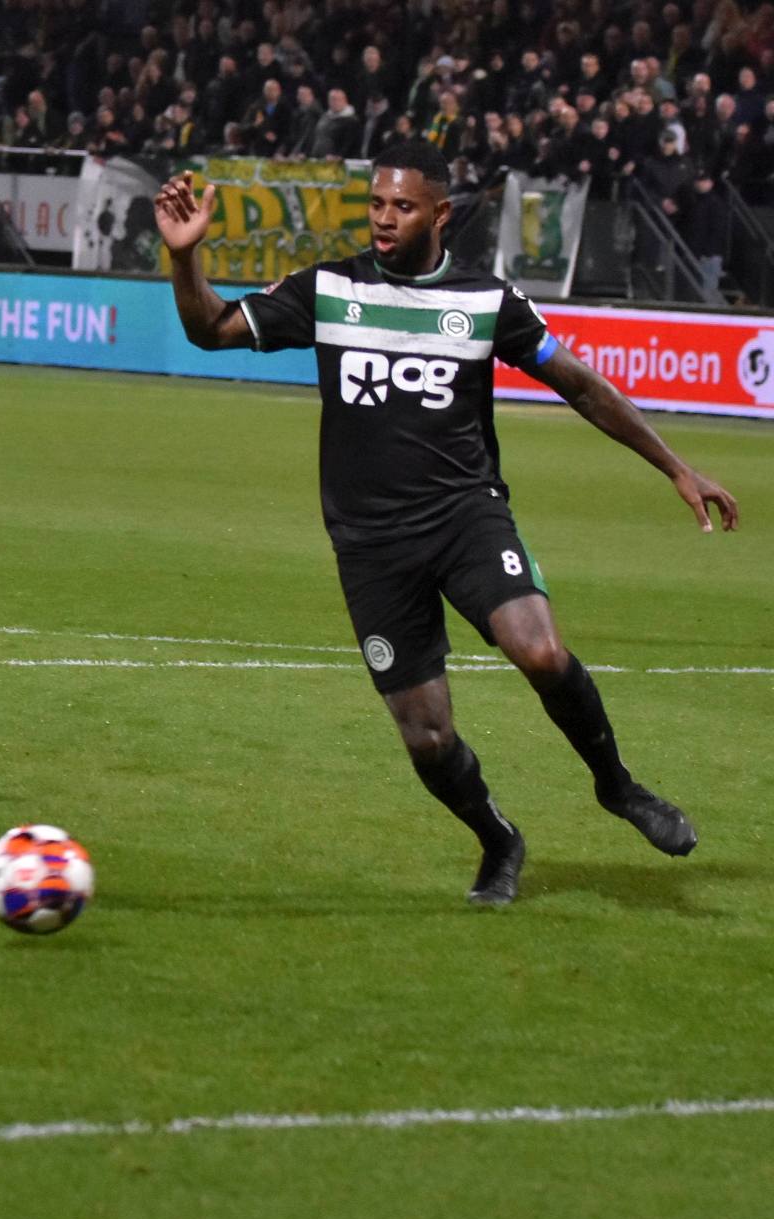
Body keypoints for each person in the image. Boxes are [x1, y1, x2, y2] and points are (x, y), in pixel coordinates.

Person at [153, 139, 738, 906]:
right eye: (375, 204)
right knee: (427, 736)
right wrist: (186, 259)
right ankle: (499, 840)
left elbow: (583, 387)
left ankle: (619, 788)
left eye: (401, 206)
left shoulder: (486, 301)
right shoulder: (328, 289)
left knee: (540, 651)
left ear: (440, 213)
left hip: (466, 516)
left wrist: (675, 467)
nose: (384, 220)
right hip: (370, 544)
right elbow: (210, 328)